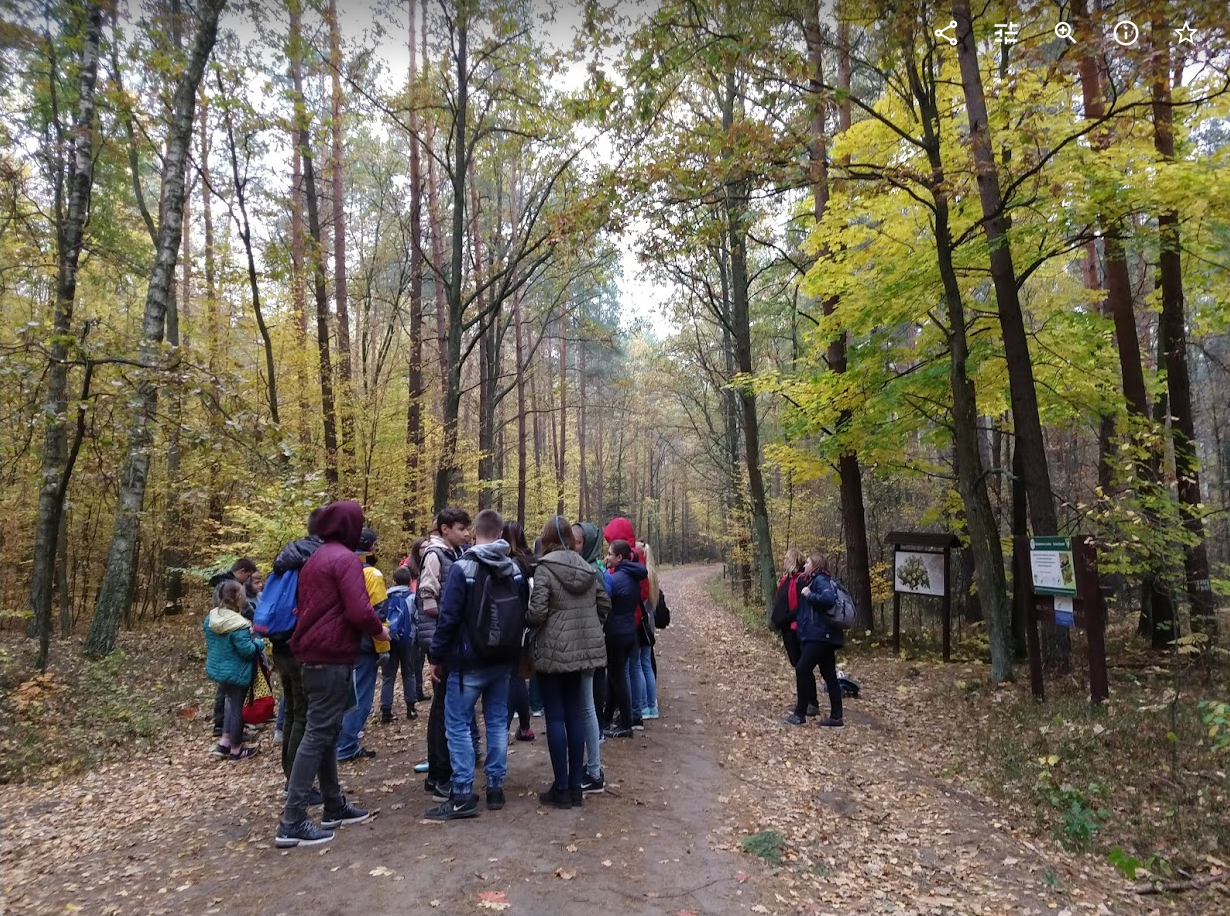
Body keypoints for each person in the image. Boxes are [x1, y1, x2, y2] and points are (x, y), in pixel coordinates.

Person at [275, 500, 390, 849]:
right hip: (330, 656)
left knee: (325, 729)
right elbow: (358, 609)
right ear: (348, 526)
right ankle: (292, 820)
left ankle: (333, 804)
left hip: (313, 653)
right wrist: (379, 631)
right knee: (317, 733)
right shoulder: (343, 560)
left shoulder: (317, 557)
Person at [425, 508, 527, 820]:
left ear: (474, 533)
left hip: (467, 661)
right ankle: (495, 788)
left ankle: (462, 794)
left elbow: (448, 617)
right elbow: (522, 614)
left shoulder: (462, 567)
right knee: (497, 722)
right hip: (503, 659)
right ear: (500, 534)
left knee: (456, 725)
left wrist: (436, 657)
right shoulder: (515, 570)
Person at [529, 516, 611, 808]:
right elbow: (605, 604)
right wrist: (590, 628)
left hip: (553, 652)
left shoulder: (545, 569)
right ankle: (576, 788)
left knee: (555, 718)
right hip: (582, 653)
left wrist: (528, 625)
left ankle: (561, 787)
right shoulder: (588, 568)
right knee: (576, 715)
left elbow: (537, 612)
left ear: (548, 537)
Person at [416, 508, 471, 800]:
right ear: (445, 528)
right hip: (439, 639)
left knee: (445, 705)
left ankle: (442, 770)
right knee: (441, 708)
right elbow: (428, 601)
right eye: (461, 528)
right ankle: (439, 774)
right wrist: (457, 614)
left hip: (447, 637)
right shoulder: (435, 556)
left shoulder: (454, 554)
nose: (465, 534)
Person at [269, 509, 324, 787]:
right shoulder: (315, 556)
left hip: (280, 642)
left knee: (292, 710)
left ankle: (291, 775)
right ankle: (297, 782)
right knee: (303, 713)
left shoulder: (288, 554)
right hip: (301, 642)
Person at [336, 527, 387, 762]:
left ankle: (341, 742)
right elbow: (379, 613)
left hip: (339, 642)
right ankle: (346, 745)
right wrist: (384, 647)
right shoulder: (372, 574)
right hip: (364, 644)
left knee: (343, 695)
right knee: (361, 697)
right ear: (370, 546)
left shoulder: (337, 568)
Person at [205, 580, 263, 761]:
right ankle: (236, 750)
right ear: (238, 597)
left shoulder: (212, 617)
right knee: (237, 707)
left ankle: (224, 742)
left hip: (219, 669)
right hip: (237, 671)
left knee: (230, 702)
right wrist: (258, 644)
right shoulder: (238, 624)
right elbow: (247, 651)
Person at [787, 551, 844, 728]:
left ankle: (800, 713)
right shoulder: (814, 580)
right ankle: (836, 717)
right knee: (829, 675)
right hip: (821, 636)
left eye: (808, 563)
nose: (804, 565)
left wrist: (808, 594)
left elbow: (828, 599)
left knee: (802, 668)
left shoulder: (820, 580)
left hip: (818, 636)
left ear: (815, 566)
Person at [602, 539, 647, 738]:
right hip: (630, 632)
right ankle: (608, 718)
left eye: (610, 554)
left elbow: (605, 603)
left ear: (619, 557)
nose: (607, 557)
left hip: (616, 633)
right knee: (615, 677)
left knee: (618, 679)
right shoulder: (633, 576)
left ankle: (626, 723)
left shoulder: (614, 579)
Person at [209, 557, 258, 736]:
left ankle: (222, 725)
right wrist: (256, 622)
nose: (248, 581)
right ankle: (228, 727)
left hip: (221, 643)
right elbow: (243, 609)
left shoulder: (220, 586)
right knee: (232, 691)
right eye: (248, 576)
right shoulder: (232, 587)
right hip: (231, 642)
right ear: (242, 571)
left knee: (224, 685)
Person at [503, 520, 536, 743]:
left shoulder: (512, 564)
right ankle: (524, 726)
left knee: (512, 676)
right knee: (518, 676)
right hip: (527, 624)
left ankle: (503, 729)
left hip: (513, 625)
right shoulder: (530, 560)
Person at [773, 548, 816, 715]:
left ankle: (810, 702)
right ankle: (805, 701)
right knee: (797, 664)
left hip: (795, 629)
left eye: (786, 558)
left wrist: (786, 618)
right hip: (786, 628)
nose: (784, 560)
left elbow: (801, 607)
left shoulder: (800, 581)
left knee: (802, 666)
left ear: (794, 560)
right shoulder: (786, 579)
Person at [380, 564, 418, 723]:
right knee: (408, 672)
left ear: (394, 581)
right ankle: (411, 708)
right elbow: (416, 618)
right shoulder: (412, 597)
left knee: (388, 675)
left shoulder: (385, 595)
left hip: (389, 637)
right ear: (410, 581)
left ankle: (386, 711)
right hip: (407, 640)